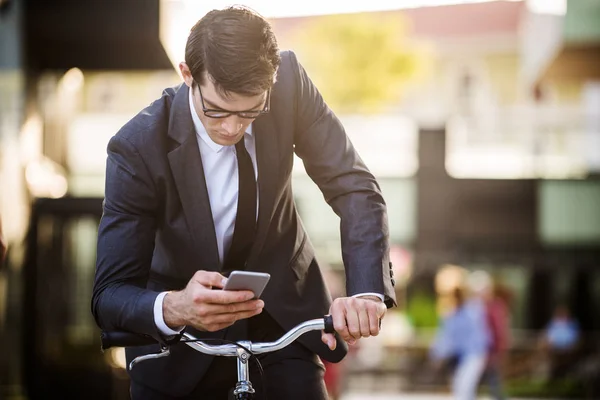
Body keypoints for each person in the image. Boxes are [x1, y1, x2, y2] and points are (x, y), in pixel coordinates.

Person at [91, 6, 396, 400]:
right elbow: (110, 293)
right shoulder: (136, 147)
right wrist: (176, 307)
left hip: (285, 328)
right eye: (216, 110)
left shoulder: (289, 85)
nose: (233, 127)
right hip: (178, 349)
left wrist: (366, 293)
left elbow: (353, 186)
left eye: (251, 111)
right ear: (188, 75)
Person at [430, 283, 491, 400]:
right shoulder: (454, 314)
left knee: (464, 386)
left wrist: (437, 354)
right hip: (461, 356)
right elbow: (446, 337)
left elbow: (449, 338)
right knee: (461, 387)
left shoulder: (472, 311)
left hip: (474, 354)